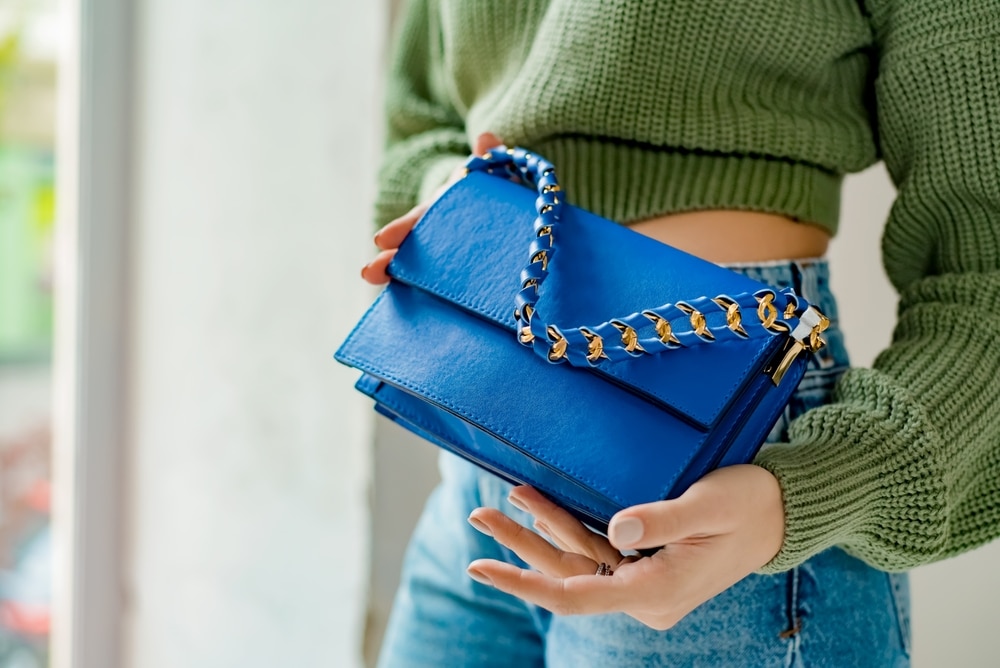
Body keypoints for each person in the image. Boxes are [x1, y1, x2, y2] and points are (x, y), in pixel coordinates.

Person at [360, 1, 1000, 666]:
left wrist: (811, 489)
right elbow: (422, 123)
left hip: (718, 476)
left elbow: (986, 275)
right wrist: (463, 219)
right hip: (480, 437)